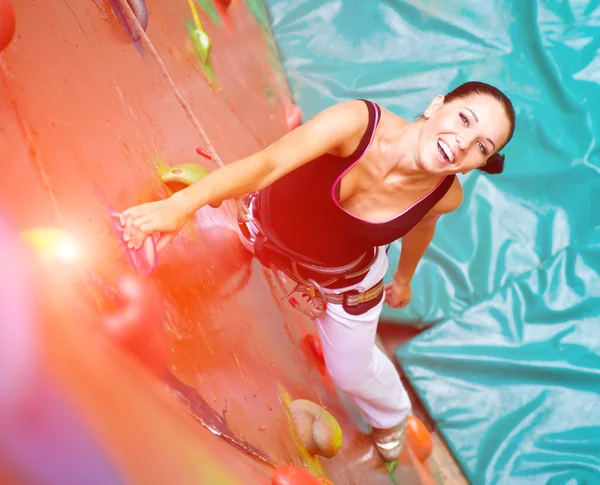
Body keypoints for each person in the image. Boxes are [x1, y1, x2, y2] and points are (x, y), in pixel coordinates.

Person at [120, 81, 516, 464]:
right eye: (464, 119)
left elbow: (424, 225)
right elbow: (268, 164)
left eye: (483, 146)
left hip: (340, 283)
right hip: (262, 228)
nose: (465, 142)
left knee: (350, 372)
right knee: (201, 254)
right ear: (436, 106)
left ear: (480, 163)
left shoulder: (447, 196)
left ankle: (393, 416)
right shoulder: (357, 123)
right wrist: (184, 204)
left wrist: (404, 279)